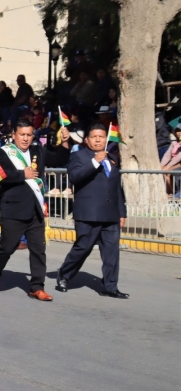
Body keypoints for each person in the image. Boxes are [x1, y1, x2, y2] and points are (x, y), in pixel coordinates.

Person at [56, 124, 128, 298]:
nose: (98, 140)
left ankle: (110, 286)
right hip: (89, 212)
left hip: (110, 214)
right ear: (87, 139)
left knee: (111, 252)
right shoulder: (79, 156)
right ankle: (64, 274)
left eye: (101, 137)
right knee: (83, 248)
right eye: (94, 137)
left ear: (106, 139)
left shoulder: (113, 158)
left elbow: (116, 188)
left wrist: (122, 212)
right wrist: (95, 161)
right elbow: (74, 177)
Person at [0, 120, 53, 301]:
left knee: (39, 249)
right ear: (14, 135)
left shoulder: (38, 150)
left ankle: (37, 286)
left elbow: (42, 175)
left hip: (35, 208)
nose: (25, 138)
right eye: (22, 134)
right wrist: (23, 174)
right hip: (13, 208)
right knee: (6, 247)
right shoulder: (3, 152)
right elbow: (0, 175)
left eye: (29, 135)